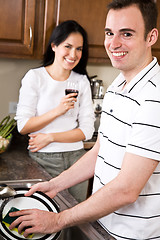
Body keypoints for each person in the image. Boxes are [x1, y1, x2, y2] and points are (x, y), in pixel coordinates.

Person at [10, 0, 160, 239]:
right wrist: (56, 184)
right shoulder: (117, 88)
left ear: (151, 36)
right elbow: (100, 150)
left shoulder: (155, 97)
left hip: (133, 235)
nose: (114, 43)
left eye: (127, 34)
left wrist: (57, 220)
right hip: (104, 224)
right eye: (110, 33)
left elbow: (127, 190)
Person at [15, 20, 95, 202]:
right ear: (54, 46)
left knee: (75, 217)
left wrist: (50, 137)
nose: (73, 54)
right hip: (43, 160)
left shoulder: (81, 81)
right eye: (68, 46)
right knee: (45, 215)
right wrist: (58, 110)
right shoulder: (35, 77)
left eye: (79, 49)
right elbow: (23, 126)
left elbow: (87, 131)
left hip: (77, 161)